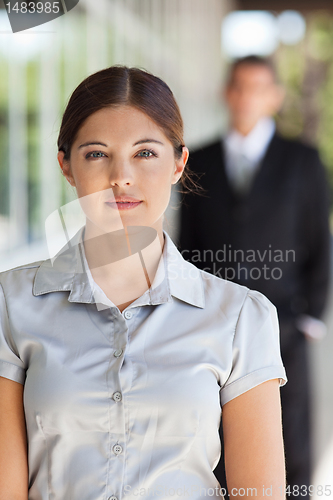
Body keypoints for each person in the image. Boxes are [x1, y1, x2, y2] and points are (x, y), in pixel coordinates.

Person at [0, 65, 287, 500]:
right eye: (97, 153)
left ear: (178, 163)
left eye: (145, 153)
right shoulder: (10, 305)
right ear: (66, 165)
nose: (121, 177)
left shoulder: (241, 317)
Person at [179, 56, 331, 499]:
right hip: (215, 323)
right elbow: (188, 245)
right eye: (239, 87)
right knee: (218, 432)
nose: (247, 96)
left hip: (286, 323)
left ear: (275, 96)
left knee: (291, 432)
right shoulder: (198, 159)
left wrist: (311, 317)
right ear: (227, 93)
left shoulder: (302, 161)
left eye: (258, 87)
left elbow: (320, 240)